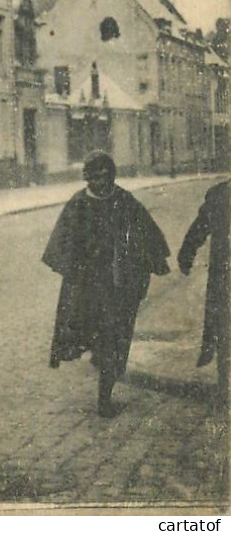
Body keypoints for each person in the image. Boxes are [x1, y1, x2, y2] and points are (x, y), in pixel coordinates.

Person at [42, 151, 170, 417]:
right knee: (88, 333)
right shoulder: (77, 204)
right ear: (86, 178)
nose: (100, 183)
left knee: (113, 340)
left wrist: (155, 259)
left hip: (116, 286)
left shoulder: (125, 201)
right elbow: (61, 243)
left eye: (105, 176)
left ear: (112, 176)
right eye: (94, 177)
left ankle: (105, 397)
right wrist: (72, 265)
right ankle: (98, 362)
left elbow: (147, 231)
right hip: (86, 288)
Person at [177, 179, 230, 406]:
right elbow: (200, 226)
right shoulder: (220, 195)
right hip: (225, 279)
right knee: (224, 331)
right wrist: (186, 253)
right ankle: (224, 386)